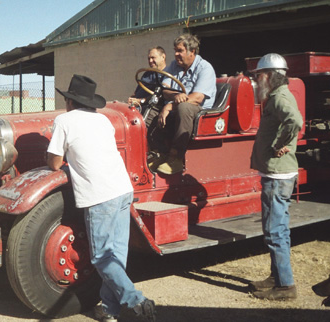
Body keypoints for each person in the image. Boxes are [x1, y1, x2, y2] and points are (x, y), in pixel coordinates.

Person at [47, 75, 156, 322]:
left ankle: (136, 300)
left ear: (69, 101)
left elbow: (54, 163)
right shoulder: (104, 120)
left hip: (99, 195)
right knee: (116, 256)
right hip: (122, 189)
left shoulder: (63, 120)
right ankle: (109, 309)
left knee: (101, 258)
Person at [248, 53, 303, 300]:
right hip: (276, 173)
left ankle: (285, 287)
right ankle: (276, 277)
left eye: (259, 76)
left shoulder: (280, 96)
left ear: (269, 76)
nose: (257, 80)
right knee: (276, 228)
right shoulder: (276, 96)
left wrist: (281, 142)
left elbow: (295, 121)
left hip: (278, 176)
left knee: (275, 230)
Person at [155, 33, 216, 174]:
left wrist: (170, 106)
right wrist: (175, 96)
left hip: (199, 111)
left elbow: (197, 98)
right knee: (150, 109)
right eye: (175, 50)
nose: (176, 54)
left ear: (192, 51)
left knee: (184, 107)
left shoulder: (205, 68)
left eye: (180, 51)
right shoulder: (173, 66)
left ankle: (176, 158)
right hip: (177, 106)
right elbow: (165, 90)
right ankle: (159, 153)